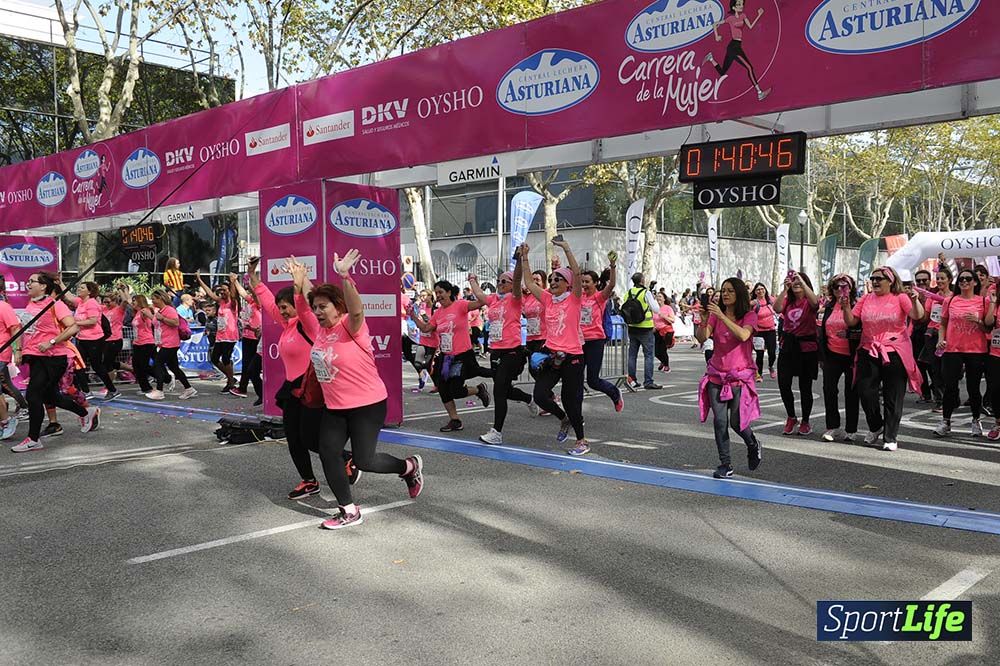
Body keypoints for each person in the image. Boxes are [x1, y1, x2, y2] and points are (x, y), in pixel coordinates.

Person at [290, 253, 422, 530]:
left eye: (323, 307)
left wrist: (345, 276)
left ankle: (408, 467)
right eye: (316, 307)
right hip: (335, 407)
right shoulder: (320, 331)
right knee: (328, 452)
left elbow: (358, 309)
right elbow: (307, 305)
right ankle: (348, 510)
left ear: (338, 308)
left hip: (367, 405)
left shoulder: (352, 327)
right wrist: (301, 284)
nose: (317, 312)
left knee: (365, 460)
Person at [255, 261, 357, 499]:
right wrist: (256, 282)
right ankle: (309, 481)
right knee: (294, 439)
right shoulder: (287, 325)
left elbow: (303, 309)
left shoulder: (309, 325)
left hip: (311, 386)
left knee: (311, 439)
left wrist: (299, 286)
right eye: (280, 308)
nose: (281, 311)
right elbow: (268, 304)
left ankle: (347, 458)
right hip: (292, 388)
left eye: (285, 307)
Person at [11, 272, 100, 452]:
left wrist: (52, 342)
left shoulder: (55, 305)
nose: (28, 284)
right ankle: (86, 412)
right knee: (50, 397)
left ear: (43, 286)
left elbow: (73, 326)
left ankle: (33, 438)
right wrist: (19, 350)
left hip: (53, 358)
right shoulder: (31, 305)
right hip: (35, 356)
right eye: (27, 281)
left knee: (33, 395)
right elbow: (27, 331)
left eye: (32, 281)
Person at [519, 240, 590, 456]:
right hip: (552, 354)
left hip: (573, 356)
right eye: (552, 279)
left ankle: (581, 441)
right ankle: (563, 419)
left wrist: (567, 249)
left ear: (568, 283)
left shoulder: (574, 299)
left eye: (559, 278)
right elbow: (530, 284)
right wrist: (524, 257)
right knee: (540, 395)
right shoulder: (548, 299)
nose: (554, 281)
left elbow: (577, 275)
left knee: (570, 399)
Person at [842, 267, 924, 451]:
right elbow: (851, 321)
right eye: (873, 278)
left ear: (891, 281)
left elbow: (917, 316)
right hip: (869, 348)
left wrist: (915, 300)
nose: (876, 281)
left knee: (893, 396)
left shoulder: (900, 297)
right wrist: (846, 306)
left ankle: (890, 436)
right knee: (865, 391)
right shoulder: (866, 298)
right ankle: (876, 425)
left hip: (895, 350)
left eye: (880, 278)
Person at [695, 277, 762, 478]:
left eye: (730, 290)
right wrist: (705, 319)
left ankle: (753, 444)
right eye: (723, 290)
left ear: (739, 293)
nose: (725, 294)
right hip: (716, 374)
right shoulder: (716, 316)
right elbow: (701, 337)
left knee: (736, 421)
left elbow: (743, 336)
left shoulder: (749, 316)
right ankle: (725, 464)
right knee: (720, 422)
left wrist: (722, 317)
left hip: (740, 377)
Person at [411, 279, 490, 432]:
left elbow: (482, 301)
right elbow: (427, 328)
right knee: (443, 388)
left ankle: (479, 390)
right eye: (436, 293)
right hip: (446, 356)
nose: (438, 295)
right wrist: (414, 317)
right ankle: (455, 420)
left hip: (462, 355)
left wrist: (473, 282)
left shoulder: (460, 305)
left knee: (456, 390)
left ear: (449, 292)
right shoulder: (438, 313)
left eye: (441, 292)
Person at [472, 267, 535, 445]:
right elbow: (480, 295)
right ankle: (528, 398)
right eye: (498, 281)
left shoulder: (515, 298)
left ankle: (497, 432)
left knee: (499, 389)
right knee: (504, 390)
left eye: (503, 281)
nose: (499, 284)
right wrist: (472, 280)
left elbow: (516, 281)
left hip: (512, 350)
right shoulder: (494, 300)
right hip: (496, 350)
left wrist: (519, 261)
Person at [934, 268, 988, 437]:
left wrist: (978, 321)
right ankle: (946, 421)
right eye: (961, 279)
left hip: (976, 349)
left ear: (975, 282)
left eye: (968, 279)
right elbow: (942, 323)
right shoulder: (950, 301)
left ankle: (976, 420)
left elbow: (988, 327)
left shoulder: (983, 301)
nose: (964, 282)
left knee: (973, 388)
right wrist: (940, 339)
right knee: (950, 386)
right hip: (952, 349)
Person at [774, 271, 820, 436]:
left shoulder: (809, 302)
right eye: (793, 282)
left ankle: (805, 421)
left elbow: (816, 303)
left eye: (798, 282)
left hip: (806, 348)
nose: (796, 284)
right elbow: (776, 307)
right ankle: (791, 416)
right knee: (784, 383)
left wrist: (801, 280)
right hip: (788, 346)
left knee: (805, 387)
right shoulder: (788, 302)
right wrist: (785, 289)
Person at [818, 274, 860, 442]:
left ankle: (851, 429)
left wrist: (849, 333)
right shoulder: (828, 306)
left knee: (851, 392)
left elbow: (863, 329)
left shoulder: (857, 305)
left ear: (851, 288)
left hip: (851, 355)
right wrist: (821, 356)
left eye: (844, 286)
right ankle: (832, 426)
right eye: (836, 287)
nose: (840, 290)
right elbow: (822, 330)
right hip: (831, 354)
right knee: (829, 390)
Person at [62, 281, 120, 401]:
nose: (79, 289)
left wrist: (75, 322)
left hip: (94, 339)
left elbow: (93, 321)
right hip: (82, 338)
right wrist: (60, 282)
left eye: (82, 288)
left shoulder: (92, 303)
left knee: (97, 366)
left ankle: (112, 390)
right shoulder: (80, 302)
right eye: (79, 287)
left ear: (89, 291)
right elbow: (69, 296)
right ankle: (86, 391)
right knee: (78, 365)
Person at [580, 257, 624, 411]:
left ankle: (614, 392)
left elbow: (611, 284)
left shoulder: (599, 297)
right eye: (582, 282)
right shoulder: (578, 297)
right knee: (576, 380)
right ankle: (575, 414)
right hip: (578, 343)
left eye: (587, 282)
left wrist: (612, 266)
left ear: (595, 283)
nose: (584, 285)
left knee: (592, 380)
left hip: (595, 341)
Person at [703, 0, 771, 101]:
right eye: (738, 4)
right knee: (749, 68)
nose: (741, 6)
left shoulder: (743, 16)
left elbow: (751, 26)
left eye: (742, 4)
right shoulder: (730, 19)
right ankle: (759, 93)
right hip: (734, 47)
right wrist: (716, 36)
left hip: (736, 46)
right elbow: (715, 24)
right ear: (734, 7)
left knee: (722, 72)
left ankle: (711, 58)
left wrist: (759, 15)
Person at [147, 290, 197, 401]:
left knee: (158, 364)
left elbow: (175, 323)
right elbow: (157, 323)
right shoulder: (160, 310)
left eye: (154, 298)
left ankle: (159, 391)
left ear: (160, 298)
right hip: (164, 342)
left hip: (170, 343)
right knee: (174, 367)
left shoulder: (169, 310)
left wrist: (163, 319)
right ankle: (189, 388)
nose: (153, 301)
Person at [915, 265, 953, 413]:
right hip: (932, 335)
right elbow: (924, 317)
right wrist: (917, 302)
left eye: (942, 278)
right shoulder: (932, 297)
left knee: (947, 369)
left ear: (949, 279)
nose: (939, 281)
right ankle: (940, 400)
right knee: (935, 369)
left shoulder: (954, 297)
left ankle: (951, 398)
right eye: (938, 278)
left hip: (949, 335)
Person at [196, 270, 239, 392]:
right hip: (220, 335)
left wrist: (233, 282)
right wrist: (200, 280)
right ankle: (231, 378)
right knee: (214, 358)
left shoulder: (233, 303)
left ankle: (230, 382)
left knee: (226, 359)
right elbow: (210, 293)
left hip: (230, 335)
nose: (222, 292)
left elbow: (235, 296)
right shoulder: (221, 302)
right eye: (221, 291)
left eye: (225, 290)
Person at [230, 268, 264, 404]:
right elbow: (243, 293)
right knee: (248, 366)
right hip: (247, 337)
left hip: (257, 338)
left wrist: (250, 282)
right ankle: (252, 391)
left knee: (253, 368)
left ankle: (261, 393)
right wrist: (235, 282)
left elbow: (255, 295)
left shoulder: (260, 303)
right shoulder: (250, 302)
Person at [623, 272, 662, 390]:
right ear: (642, 281)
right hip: (645, 328)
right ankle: (648, 381)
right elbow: (656, 309)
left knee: (632, 355)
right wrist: (653, 300)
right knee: (648, 355)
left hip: (632, 327)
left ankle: (632, 379)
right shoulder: (646, 293)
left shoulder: (629, 292)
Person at [0, 296, 21, 439]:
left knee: (5, 387)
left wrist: (18, 350)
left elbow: (15, 328)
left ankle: (6, 422)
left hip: (1, 352)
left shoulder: (3, 306)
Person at [101, 287, 128, 384]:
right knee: (110, 362)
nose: (106, 304)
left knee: (107, 364)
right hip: (105, 340)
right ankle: (133, 369)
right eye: (105, 302)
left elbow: (125, 301)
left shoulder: (119, 310)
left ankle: (109, 385)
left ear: (115, 301)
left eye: (108, 302)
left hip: (115, 340)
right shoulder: (103, 309)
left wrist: (121, 290)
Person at [130, 295, 157, 395]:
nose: (133, 302)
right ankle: (145, 388)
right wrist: (123, 290)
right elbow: (128, 300)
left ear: (140, 301)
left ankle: (164, 377)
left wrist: (149, 314)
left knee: (143, 366)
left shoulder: (144, 311)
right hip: (137, 342)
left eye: (135, 301)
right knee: (136, 366)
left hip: (146, 342)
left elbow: (154, 320)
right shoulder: (136, 313)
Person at [750, 283, 777, 381]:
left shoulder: (771, 300)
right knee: (759, 354)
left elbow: (779, 307)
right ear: (755, 292)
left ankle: (770, 366)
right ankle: (759, 374)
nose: (760, 291)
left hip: (771, 330)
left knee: (772, 352)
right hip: (759, 332)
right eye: (758, 290)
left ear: (765, 290)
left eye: (762, 289)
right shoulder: (753, 302)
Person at [653, 292, 676, 373]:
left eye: (660, 296)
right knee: (655, 351)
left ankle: (666, 366)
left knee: (663, 350)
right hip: (656, 331)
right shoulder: (654, 308)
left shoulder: (668, 308)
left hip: (665, 331)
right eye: (657, 296)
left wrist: (664, 316)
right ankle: (663, 361)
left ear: (664, 299)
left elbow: (673, 320)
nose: (658, 298)